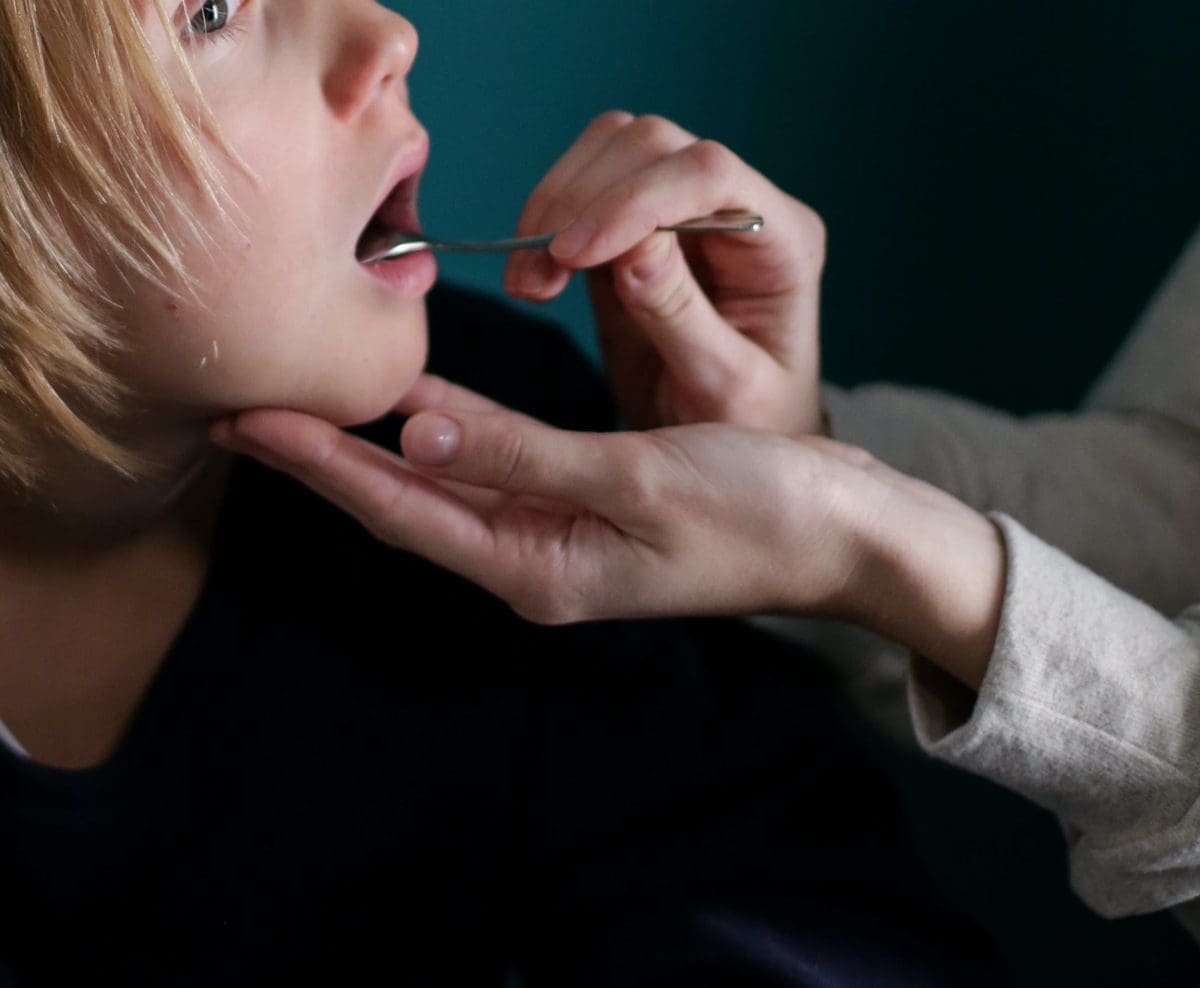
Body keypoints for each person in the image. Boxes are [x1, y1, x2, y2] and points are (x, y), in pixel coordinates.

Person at [0, 1, 1010, 985]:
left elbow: (806, 908)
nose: (389, 35)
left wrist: (810, 513)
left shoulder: (511, 469)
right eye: (213, 13)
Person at [213, 46, 1200, 948]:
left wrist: (865, 539)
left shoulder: (524, 429)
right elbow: (1180, 493)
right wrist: (802, 454)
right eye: (209, 10)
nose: (392, 33)